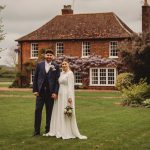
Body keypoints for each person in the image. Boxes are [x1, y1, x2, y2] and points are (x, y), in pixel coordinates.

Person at [44, 59, 87, 139]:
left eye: (65, 64)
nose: (63, 65)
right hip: (59, 95)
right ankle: (57, 129)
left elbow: (71, 86)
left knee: (66, 111)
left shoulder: (70, 74)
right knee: (58, 111)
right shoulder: (61, 73)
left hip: (66, 94)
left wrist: (70, 97)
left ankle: (66, 131)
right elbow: (57, 83)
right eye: (62, 64)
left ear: (68, 65)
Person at [32, 50, 60, 136]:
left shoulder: (56, 66)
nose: (49, 56)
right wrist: (35, 90)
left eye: (50, 55)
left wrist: (55, 92)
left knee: (49, 112)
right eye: (47, 55)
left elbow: (57, 81)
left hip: (50, 93)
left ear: (53, 56)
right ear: (45, 56)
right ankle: (36, 131)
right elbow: (35, 78)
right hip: (40, 93)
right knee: (37, 111)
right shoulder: (39, 65)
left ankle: (48, 130)